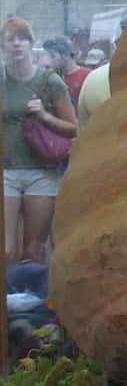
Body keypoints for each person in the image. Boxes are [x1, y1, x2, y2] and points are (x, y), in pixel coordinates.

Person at [2, 17, 78, 263]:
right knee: (6, 250)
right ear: (2, 45)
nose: (17, 45)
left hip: (41, 172)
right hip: (5, 172)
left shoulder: (50, 81)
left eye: (22, 38)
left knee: (34, 249)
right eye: (10, 39)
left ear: (31, 44)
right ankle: (10, 299)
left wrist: (44, 116)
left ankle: (30, 299)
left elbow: (73, 129)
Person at [41, 36, 92, 110]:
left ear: (66, 55)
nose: (49, 60)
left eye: (52, 56)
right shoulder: (53, 76)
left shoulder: (87, 76)